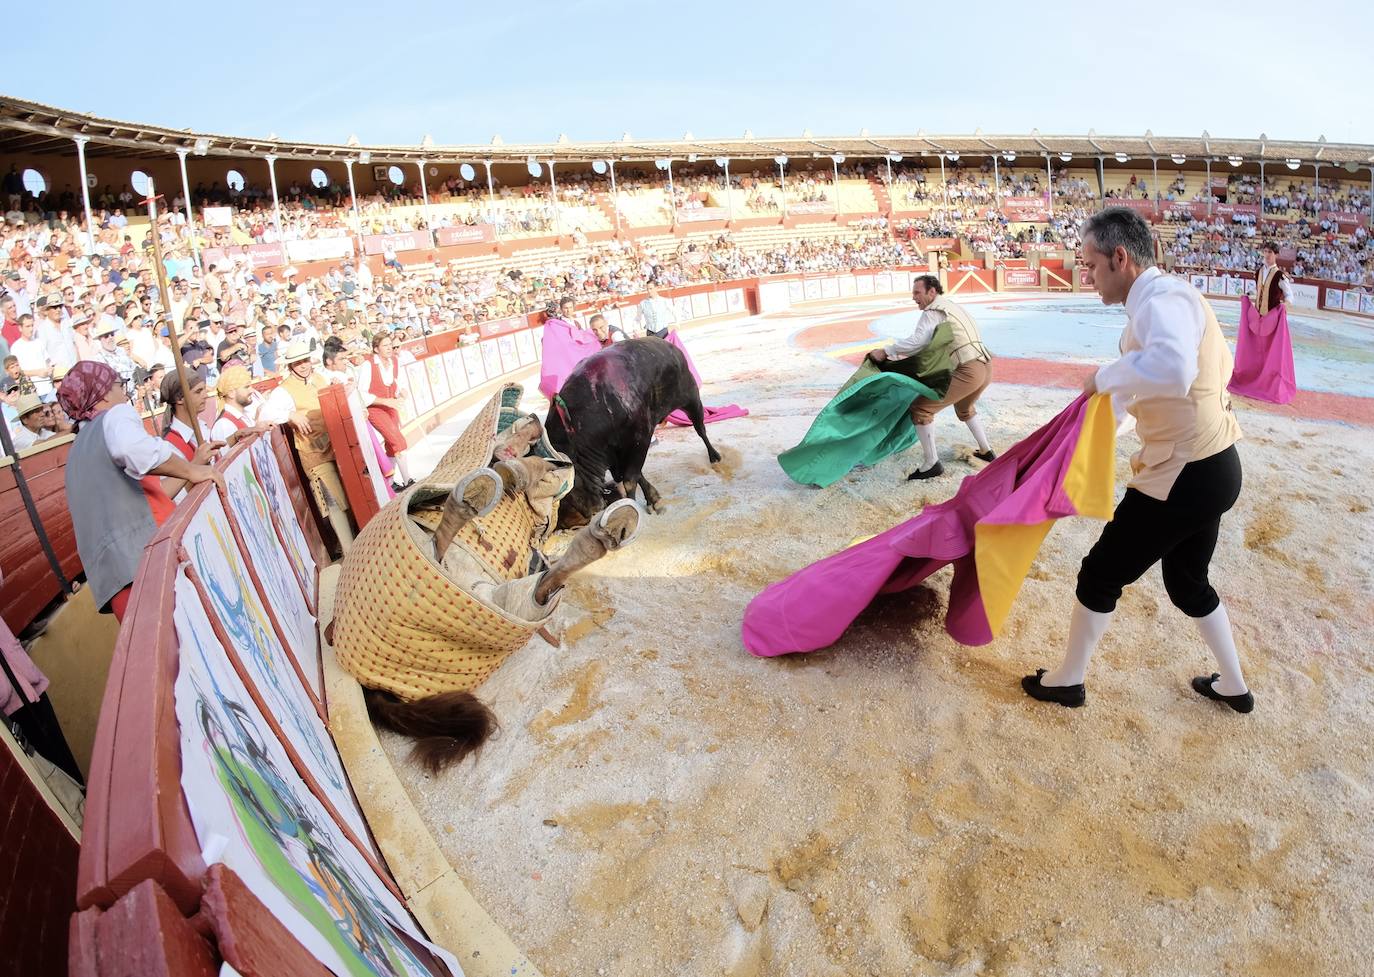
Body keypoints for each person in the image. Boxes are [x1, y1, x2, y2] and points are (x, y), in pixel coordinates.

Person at [1022, 207, 1252, 713]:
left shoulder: (1160, 299)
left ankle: (1067, 681)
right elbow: (1159, 391)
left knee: (1099, 574)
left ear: (1120, 257)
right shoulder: (1170, 298)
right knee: (1187, 581)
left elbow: (1169, 371)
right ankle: (1234, 686)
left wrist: (1102, 378)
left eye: (1091, 265)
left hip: (1184, 473)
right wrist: (1093, 426)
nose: (1087, 277)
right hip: (1217, 465)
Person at [59, 361, 221, 619]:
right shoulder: (115, 416)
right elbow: (136, 451)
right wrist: (191, 471)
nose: (124, 393)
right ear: (101, 394)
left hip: (114, 580)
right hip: (149, 560)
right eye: (118, 385)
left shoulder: (77, 451)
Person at [868, 274, 995, 479]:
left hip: (969, 368)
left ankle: (931, 464)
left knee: (921, 409)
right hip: (986, 365)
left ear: (932, 292)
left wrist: (887, 351)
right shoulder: (951, 306)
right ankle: (986, 451)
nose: (914, 297)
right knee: (964, 408)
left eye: (917, 292)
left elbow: (918, 341)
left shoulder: (933, 310)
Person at [356, 331, 412, 491]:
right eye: (385, 345)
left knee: (391, 443)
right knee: (397, 440)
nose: (389, 348)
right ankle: (408, 480)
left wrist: (403, 392)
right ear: (376, 349)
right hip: (375, 408)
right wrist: (386, 401)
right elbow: (362, 393)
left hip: (391, 406)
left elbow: (399, 383)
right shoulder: (368, 365)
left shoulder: (395, 361)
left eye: (390, 345)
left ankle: (390, 484)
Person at [210, 365, 265, 444]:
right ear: (231, 393)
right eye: (246, 387)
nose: (252, 390)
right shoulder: (224, 425)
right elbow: (226, 455)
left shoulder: (245, 415)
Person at [1255, 240, 1292, 315]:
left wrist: (1285, 305)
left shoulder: (1280, 275)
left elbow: (1289, 295)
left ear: (1276, 255)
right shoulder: (1259, 272)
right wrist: (1247, 294)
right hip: (1257, 314)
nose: (1267, 254)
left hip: (1273, 316)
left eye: (1270, 252)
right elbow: (1259, 289)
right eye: (1265, 251)